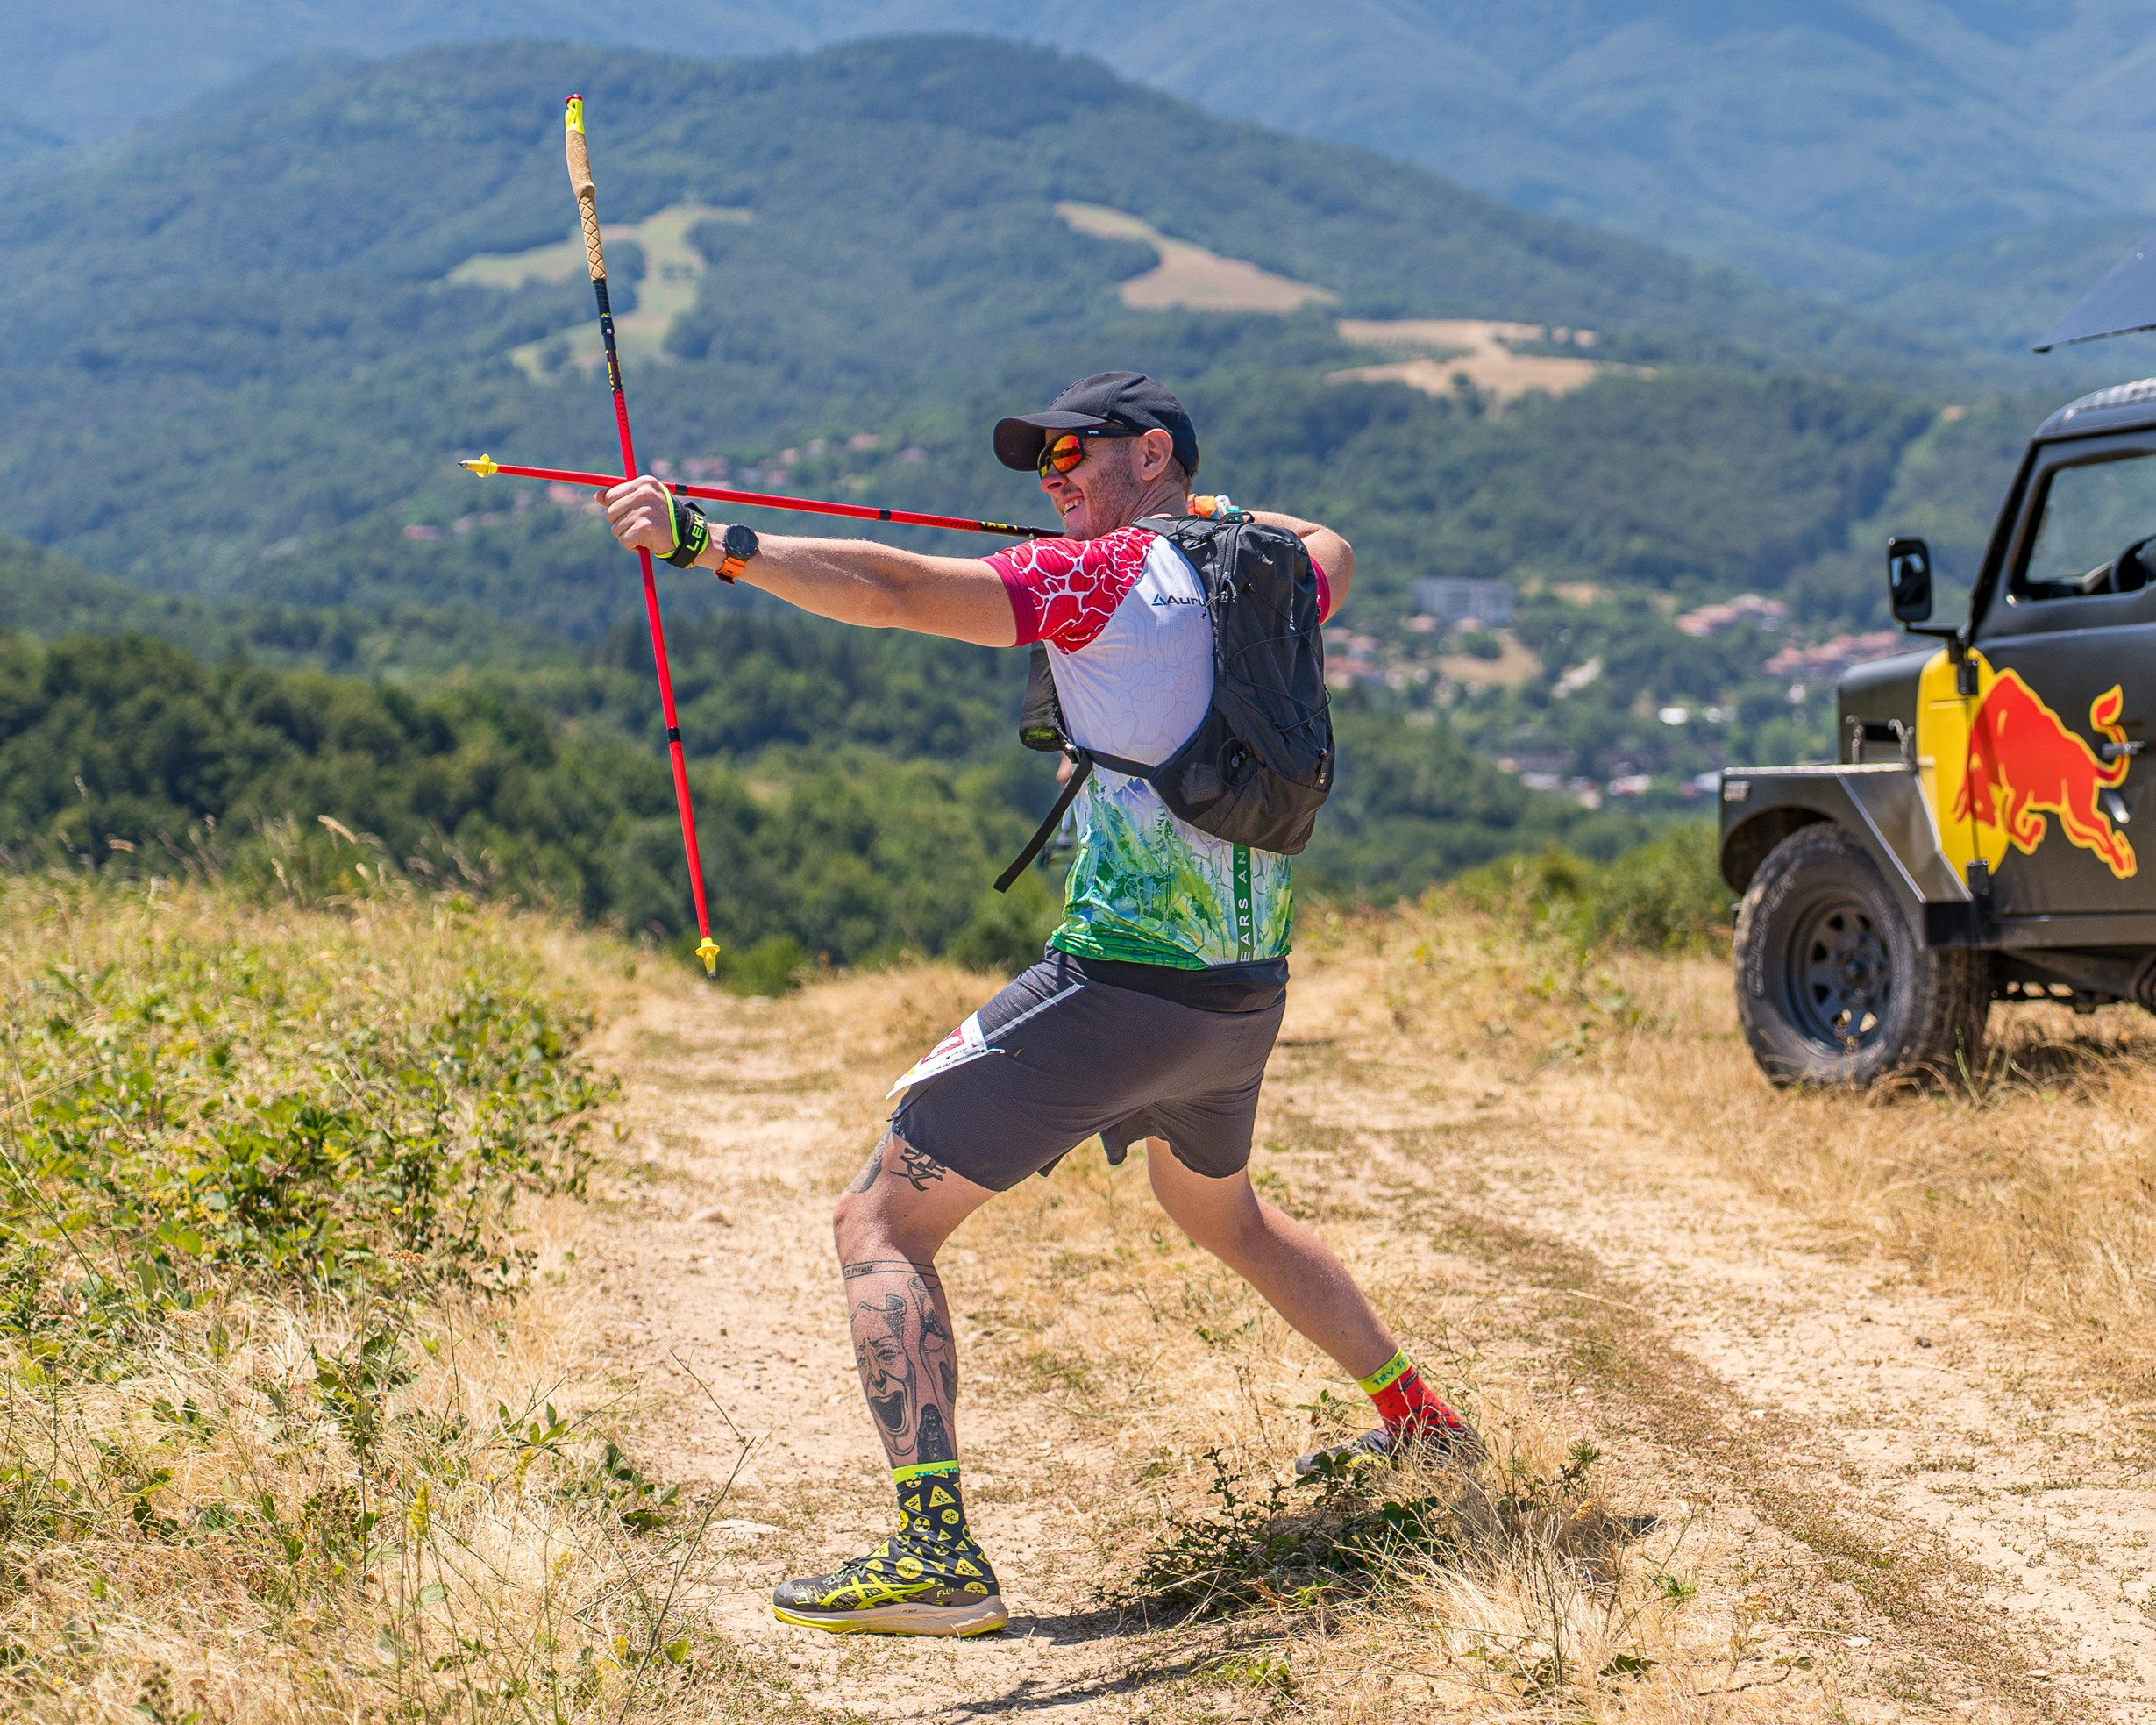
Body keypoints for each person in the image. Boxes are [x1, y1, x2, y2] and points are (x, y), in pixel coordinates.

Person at [603, 372, 1480, 1641]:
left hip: (1120, 981)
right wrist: (1200, 515)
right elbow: (1329, 541)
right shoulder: (1270, 574)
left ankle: (937, 1553)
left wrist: (714, 543)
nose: (1053, 473)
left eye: (1079, 450)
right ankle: (1423, 1426)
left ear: (1156, 452)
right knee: (1220, 1213)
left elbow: (897, 590)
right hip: (1241, 992)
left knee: (879, 1224)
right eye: (1040, 459)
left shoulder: (1101, 579)